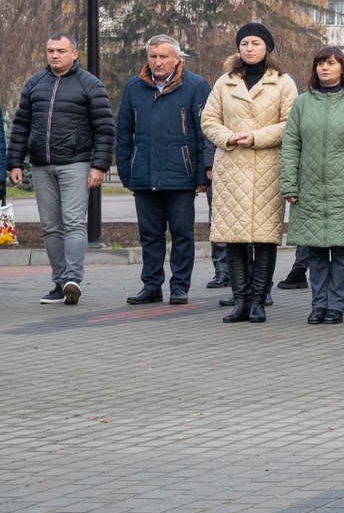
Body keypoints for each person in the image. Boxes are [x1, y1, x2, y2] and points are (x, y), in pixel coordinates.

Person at [7, 34, 113, 305]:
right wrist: (15, 162)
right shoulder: (35, 84)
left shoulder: (90, 84)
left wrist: (99, 166)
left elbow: (104, 128)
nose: (55, 55)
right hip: (41, 165)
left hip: (76, 163)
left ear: (74, 54)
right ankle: (59, 283)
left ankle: (73, 279)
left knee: (74, 222)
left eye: (61, 51)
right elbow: (21, 125)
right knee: (51, 227)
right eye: (50, 50)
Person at [201, 23, 297, 323]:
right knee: (234, 237)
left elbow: (290, 123)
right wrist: (229, 137)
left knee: (265, 238)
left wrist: (256, 136)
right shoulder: (225, 82)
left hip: (267, 167)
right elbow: (208, 119)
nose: (249, 48)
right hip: (231, 168)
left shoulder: (282, 82)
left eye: (255, 43)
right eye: (244, 43)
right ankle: (240, 300)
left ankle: (258, 301)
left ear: (267, 47)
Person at [281, 45, 344, 324]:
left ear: (342, 69)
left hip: (343, 191)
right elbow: (290, 146)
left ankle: (336, 305)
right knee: (317, 251)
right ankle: (318, 304)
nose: (325, 68)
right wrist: (289, 185)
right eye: (320, 63)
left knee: (342, 251)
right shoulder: (301, 103)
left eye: (331, 63)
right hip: (308, 189)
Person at [114, 35, 211, 305]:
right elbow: (123, 132)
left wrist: (203, 173)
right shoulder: (133, 87)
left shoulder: (195, 86)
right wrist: (126, 171)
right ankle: (151, 286)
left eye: (163, 56)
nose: (157, 62)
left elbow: (206, 133)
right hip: (144, 176)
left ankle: (179, 287)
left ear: (177, 58)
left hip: (181, 176)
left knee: (182, 234)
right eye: (152, 56)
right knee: (150, 236)